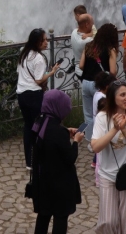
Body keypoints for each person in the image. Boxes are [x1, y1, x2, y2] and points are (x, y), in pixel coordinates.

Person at [91, 81, 126, 234]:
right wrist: (115, 129)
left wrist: (125, 130)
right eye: (122, 95)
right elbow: (96, 147)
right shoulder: (103, 117)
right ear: (112, 98)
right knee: (108, 222)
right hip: (108, 176)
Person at [28, 90, 85, 234]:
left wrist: (66, 131)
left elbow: (48, 138)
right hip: (59, 185)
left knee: (43, 217)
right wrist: (76, 142)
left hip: (42, 182)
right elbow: (70, 157)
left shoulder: (39, 122)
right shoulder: (58, 132)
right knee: (60, 219)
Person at [16, 28, 59, 169]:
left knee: (28, 127)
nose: (46, 42)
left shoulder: (24, 53)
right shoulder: (39, 58)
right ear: (37, 42)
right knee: (38, 127)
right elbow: (39, 80)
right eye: (44, 40)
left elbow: (23, 73)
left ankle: (29, 161)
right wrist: (52, 72)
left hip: (21, 94)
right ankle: (38, 158)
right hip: (34, 96)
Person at [79, 23, 119, 134]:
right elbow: (112, 71)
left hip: (86, 82)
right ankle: (100, 138)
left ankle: (90, 139)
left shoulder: (88, 45)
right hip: (100, 84)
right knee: (101, 113)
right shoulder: (110, 49)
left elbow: (81, 66)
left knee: (88, 115)